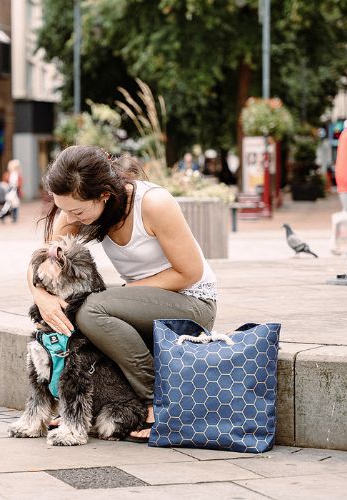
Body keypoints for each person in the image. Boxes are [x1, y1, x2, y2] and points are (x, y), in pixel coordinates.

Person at [29, 145, 217, 442]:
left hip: (192, 301)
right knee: (80, 307)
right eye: (62, 207)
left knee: (90, 309)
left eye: (76, 210)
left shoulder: (153, 203)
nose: (67, 217)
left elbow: (188, 273)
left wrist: (120, 297)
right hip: (141, 303)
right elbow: (43, 260)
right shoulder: (79, 208)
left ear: (104, 195)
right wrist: (41, 296)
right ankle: (79, 409)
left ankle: (157, 400)